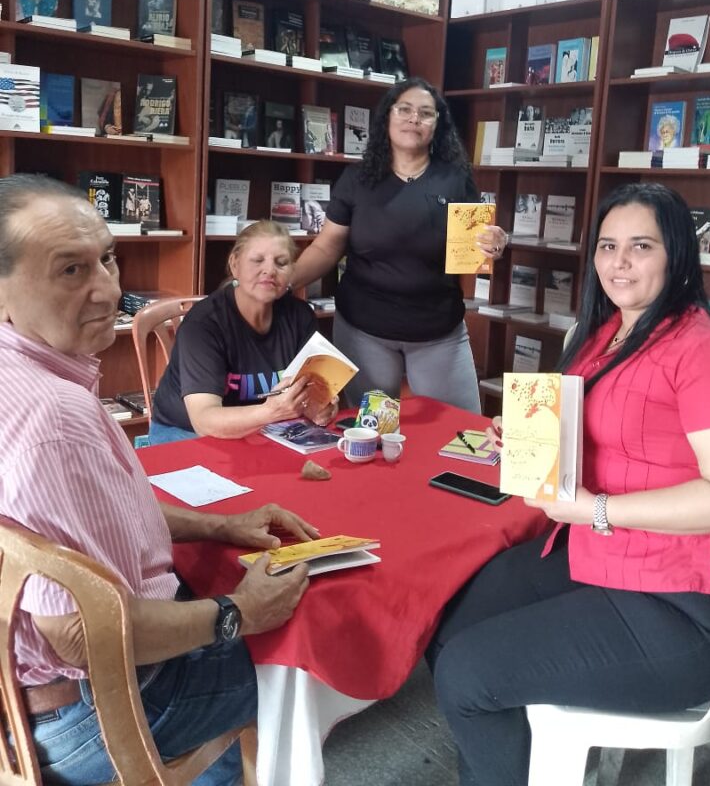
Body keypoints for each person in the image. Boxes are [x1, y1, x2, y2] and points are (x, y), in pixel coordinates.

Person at [428, 181, 710, 786]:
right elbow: (606, 438)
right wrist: (531, 436)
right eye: (608, 246)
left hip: (685, 601)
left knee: (467, 675)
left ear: (677, 254)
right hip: (602, 552)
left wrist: (598, 509)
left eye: (641, 246)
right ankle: (530, 765)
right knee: (447, 624)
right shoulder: (602, 335)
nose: (619, 262)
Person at [0, 174, 318, 786]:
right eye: (71, 270)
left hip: (35, 699)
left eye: (107, 259)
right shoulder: (55, 415)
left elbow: (103, 507)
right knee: (294, 663)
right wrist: (238, 613)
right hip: (97, 707)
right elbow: (76, 635)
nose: (108, 290)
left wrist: (220, 526)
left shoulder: (24, 373)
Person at [290, 77, 508, 412]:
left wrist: (494, 243)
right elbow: (326, 247)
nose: (414, 119)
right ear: (387, 117)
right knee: (371, 431)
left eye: (425, 113)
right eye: (404, 110)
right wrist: (284, 281)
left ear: (437, 124)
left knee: (461, 431)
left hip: (438, 331)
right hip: (364, 330)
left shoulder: (455, 179)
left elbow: (474, 245)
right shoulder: (357, 179)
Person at [150, 220, 338, 444]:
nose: (269, 270)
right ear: (234, 264)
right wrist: (270, 412)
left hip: (264, 429)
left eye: (281, 263)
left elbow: (311, 394)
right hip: (186, 433)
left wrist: (320, 407)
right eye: (257, 260)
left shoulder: (300, 316)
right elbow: (204, 421)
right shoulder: (203, 324)